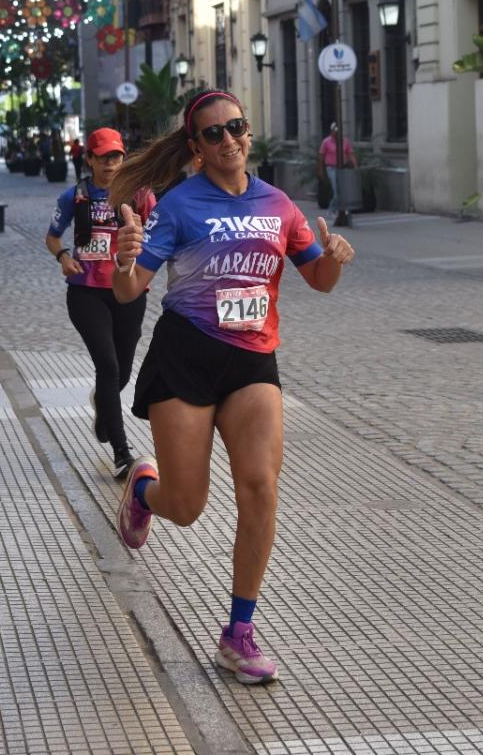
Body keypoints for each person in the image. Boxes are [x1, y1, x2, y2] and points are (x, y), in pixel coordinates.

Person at [107, 89, 354, 685]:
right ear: (196, 148)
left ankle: (238, 633)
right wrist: (123, 259)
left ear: (249, 133)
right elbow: (129, 290)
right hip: (186, 358)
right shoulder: (178, 205)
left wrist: (337, 258)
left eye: (236, 128)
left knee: (261, 487)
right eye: (213, 134)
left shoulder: (279, 205)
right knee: (187, 507)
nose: (229, 141)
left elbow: (317, 278)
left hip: (251, 362)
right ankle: (145, 492)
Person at [45, 128, 156, 479]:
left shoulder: (138, 195)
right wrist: (63, 256)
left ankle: (102, 404)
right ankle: (122, 453)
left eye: (116, 157)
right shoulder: (73, 197)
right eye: (103, 157)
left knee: (122, 370)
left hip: (129, 290)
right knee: (107, 367)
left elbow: (159, 234)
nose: (111, 164)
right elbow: (52, 236)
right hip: (86, 292)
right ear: (89, 159)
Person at [317, 121, 357, 220]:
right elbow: (321, 157)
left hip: (343, 168)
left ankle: (339, 209)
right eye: (335, 130)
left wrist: (355, 166)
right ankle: (332, 210)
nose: (336, 133)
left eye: (338, 131)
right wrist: (320, 170)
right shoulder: (326, 142)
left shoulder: (345, 141)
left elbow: (350, 154)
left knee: (343, 191)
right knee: (336, 191)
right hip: (331, 168)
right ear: (331, 131)